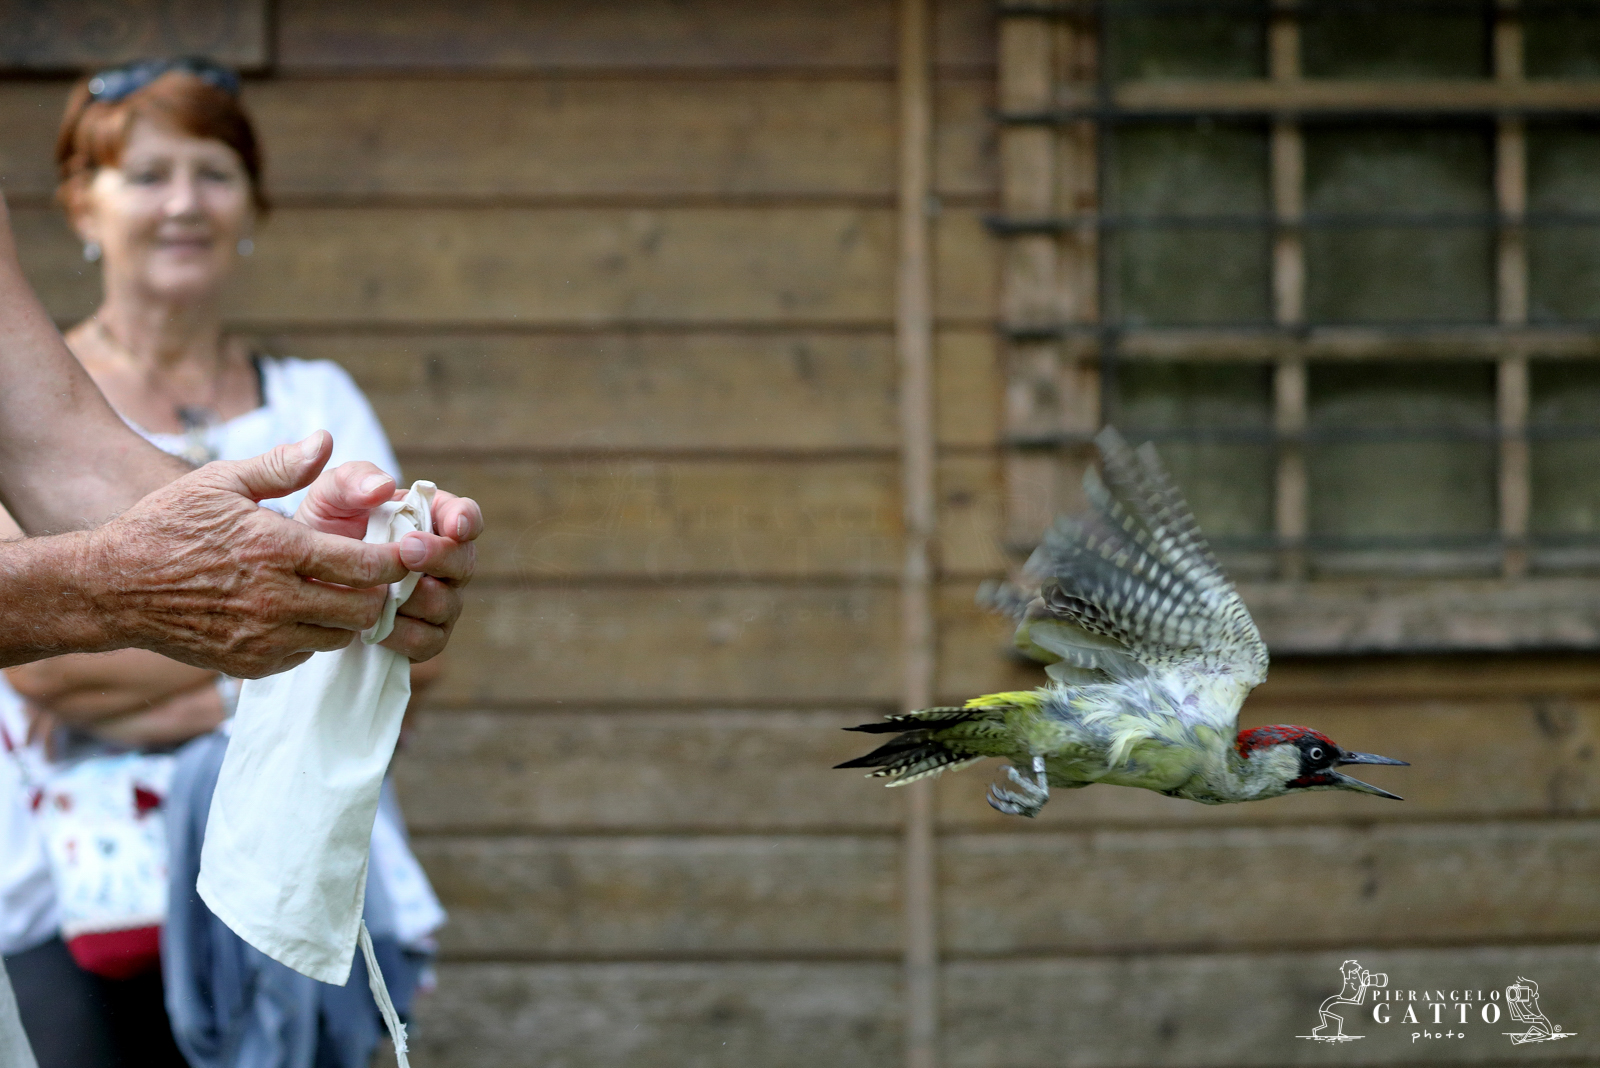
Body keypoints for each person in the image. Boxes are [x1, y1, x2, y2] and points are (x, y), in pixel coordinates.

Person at [0, 57, 483, 1068]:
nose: (182, 204)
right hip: (71, 876)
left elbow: (59, 486)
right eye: (147, 176)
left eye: (212, 174)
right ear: (79, 208)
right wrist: (255, 664)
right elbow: (38, 656)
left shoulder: (312, 392)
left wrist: (314, 576)